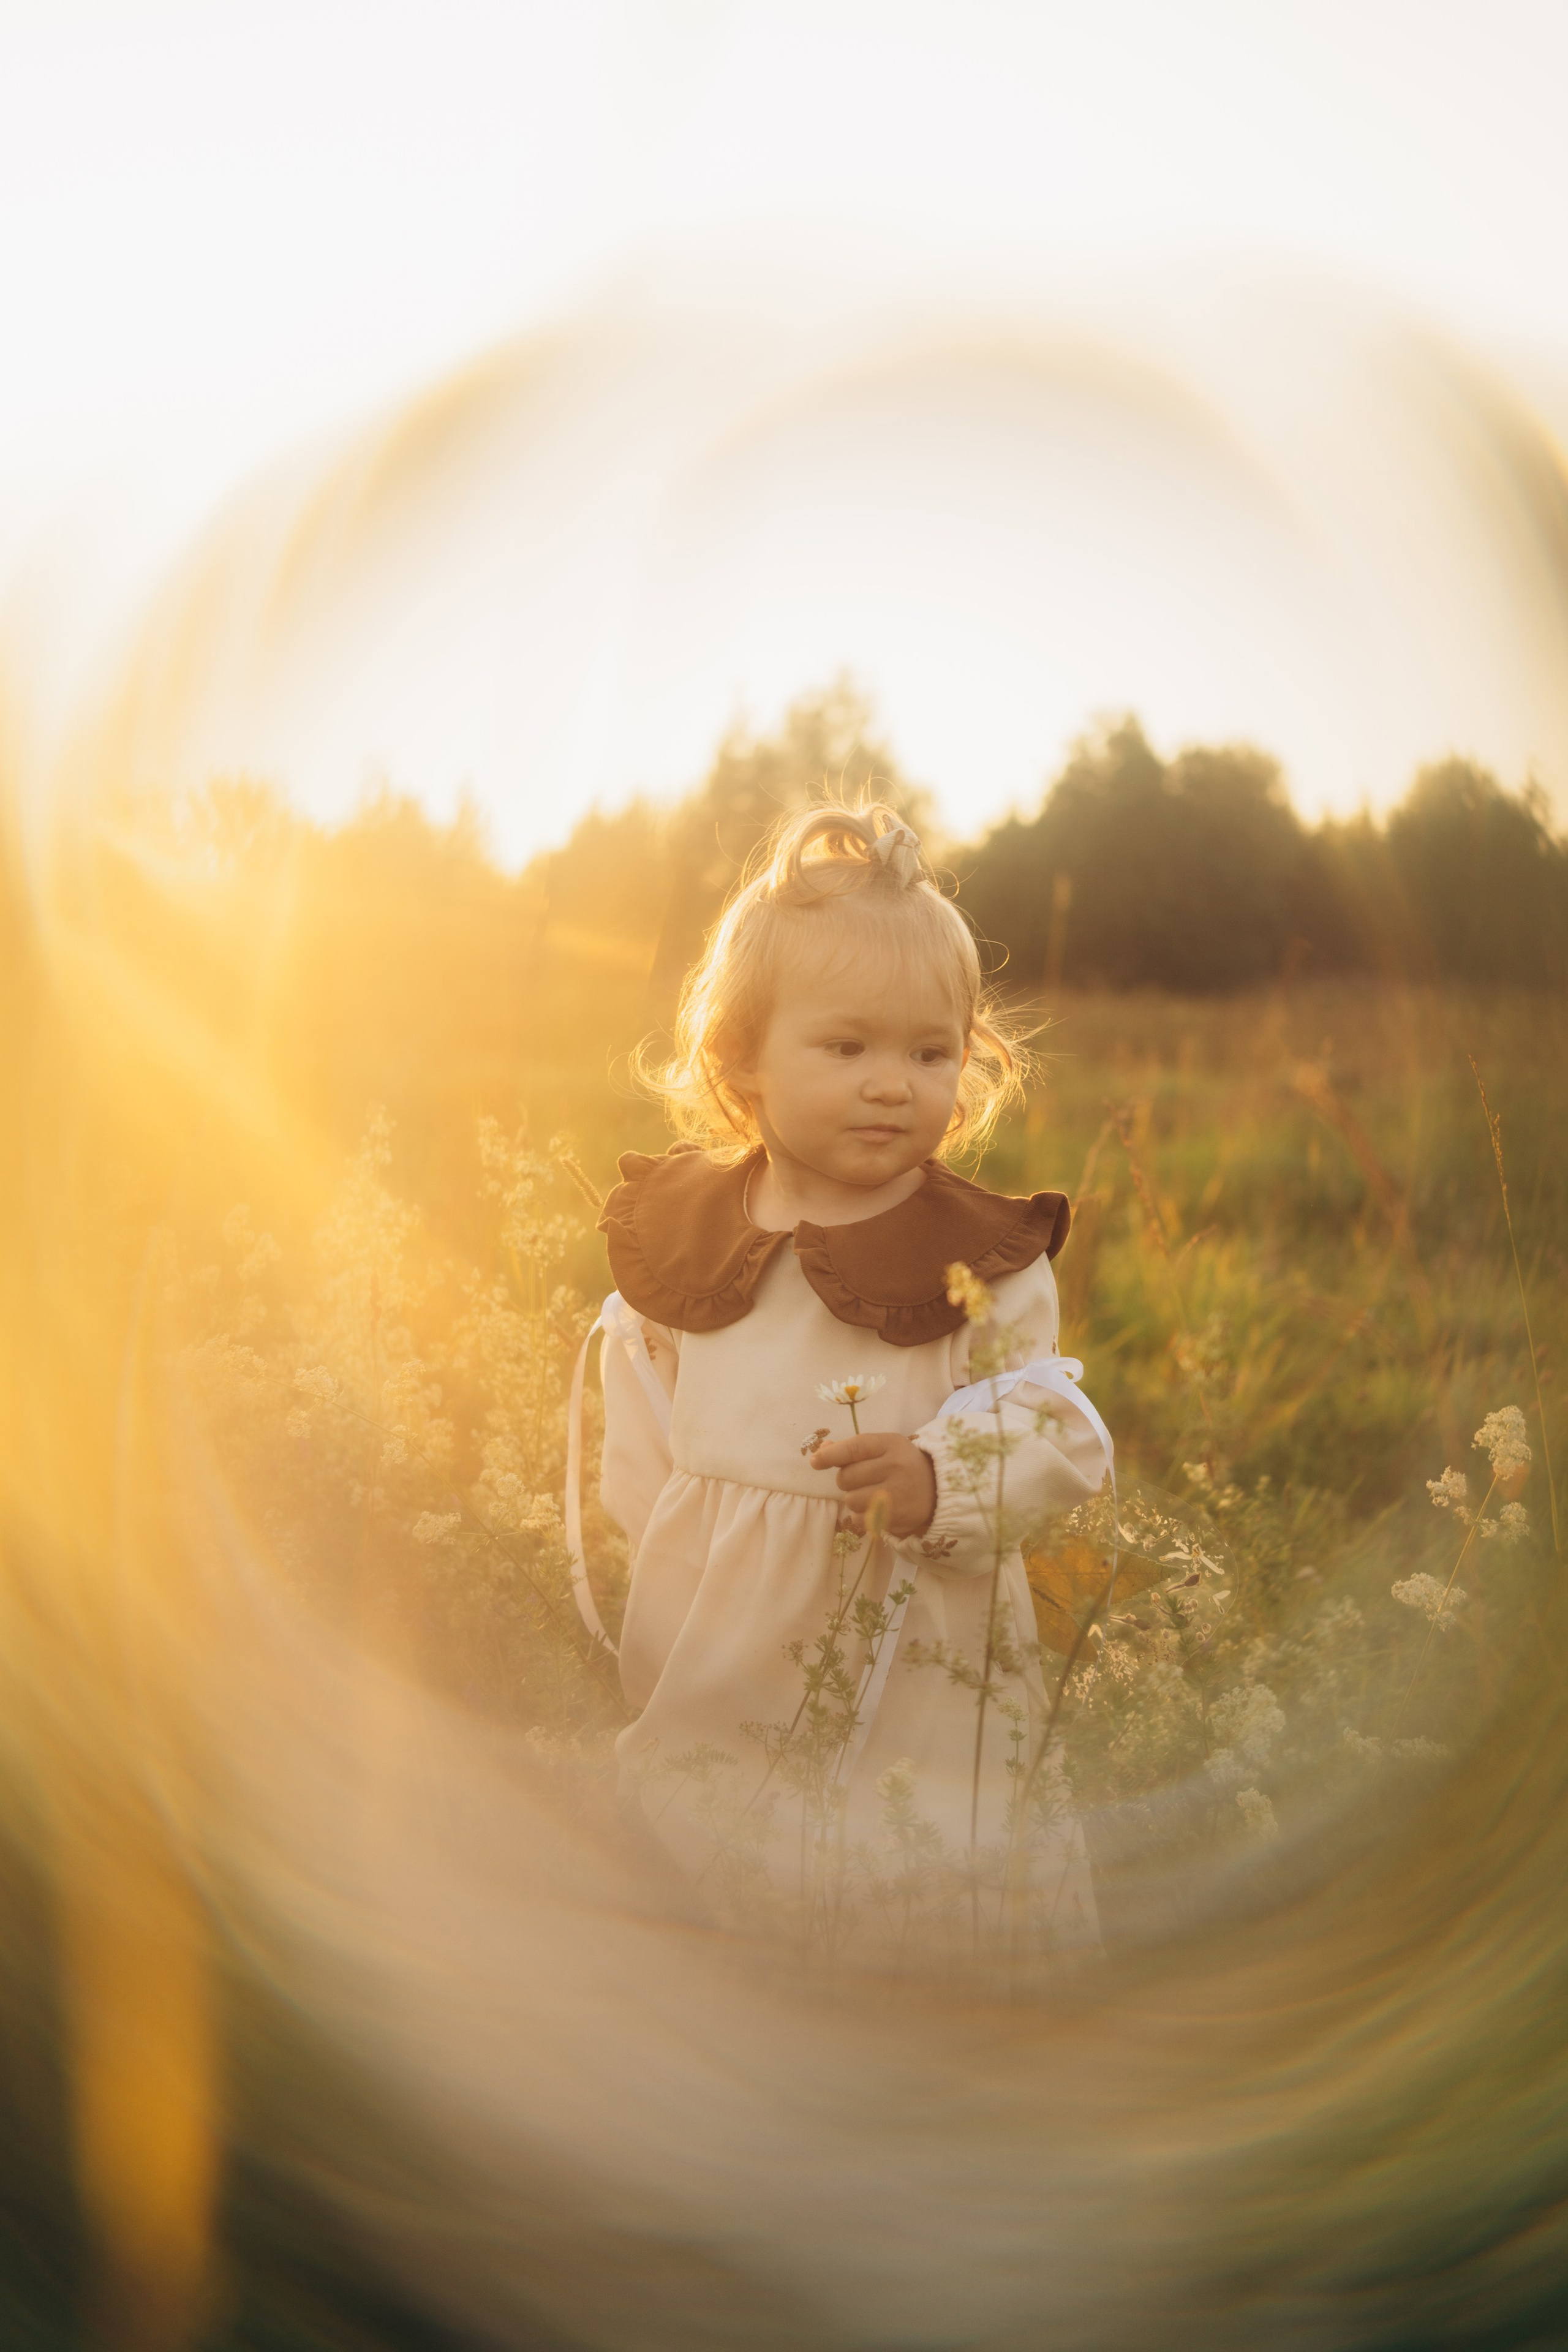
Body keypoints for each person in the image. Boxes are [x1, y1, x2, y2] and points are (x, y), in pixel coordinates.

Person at [581, 802, 1112, 1954]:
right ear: (742, 1065)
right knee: (715, 1864)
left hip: (920, 1645)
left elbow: (1060, 1430)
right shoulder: (690, 1237)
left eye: (930, 1054)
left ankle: (924, 2063)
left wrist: (944, 1480)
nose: (893, 1084)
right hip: (719, 1639)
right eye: (847, 1047)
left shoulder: (981, 1258)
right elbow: (644, 1431)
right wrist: (674, 1562)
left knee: (913, 1869)